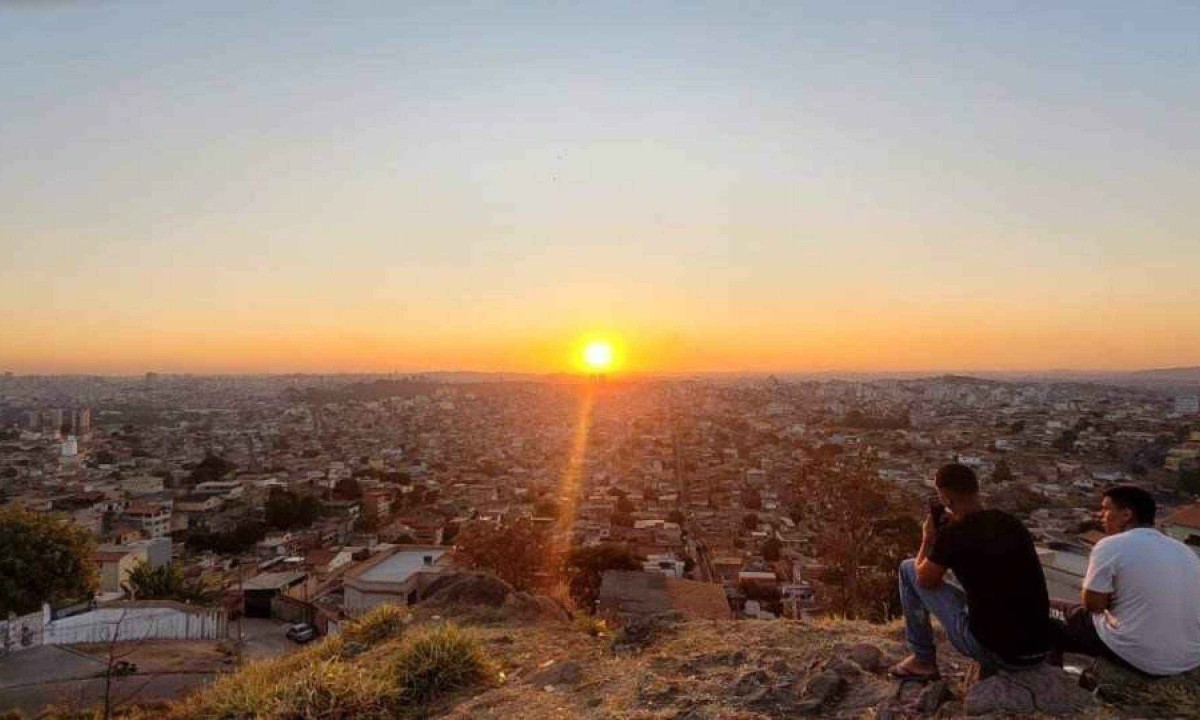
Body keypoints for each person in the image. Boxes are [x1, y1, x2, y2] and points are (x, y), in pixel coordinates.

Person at [890, 463, 1050, 679]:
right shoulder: (1011, 523)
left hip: (999, 654)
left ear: (946, 498)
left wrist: (928, 540)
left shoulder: (953, 536)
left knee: (908, 569)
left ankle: (923, 659)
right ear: (976, 489)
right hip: (1038, 650)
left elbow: (923, 580)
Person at [1049, 486, 1200, 676]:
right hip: (1187, 658)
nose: (1100, 515)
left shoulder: (1112, 545)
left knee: (1041, 608)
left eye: (1106, 509)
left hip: (1138, 654)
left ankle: (1049, 683)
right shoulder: (1185, 551)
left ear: (1126, 514)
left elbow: (1093, 605)